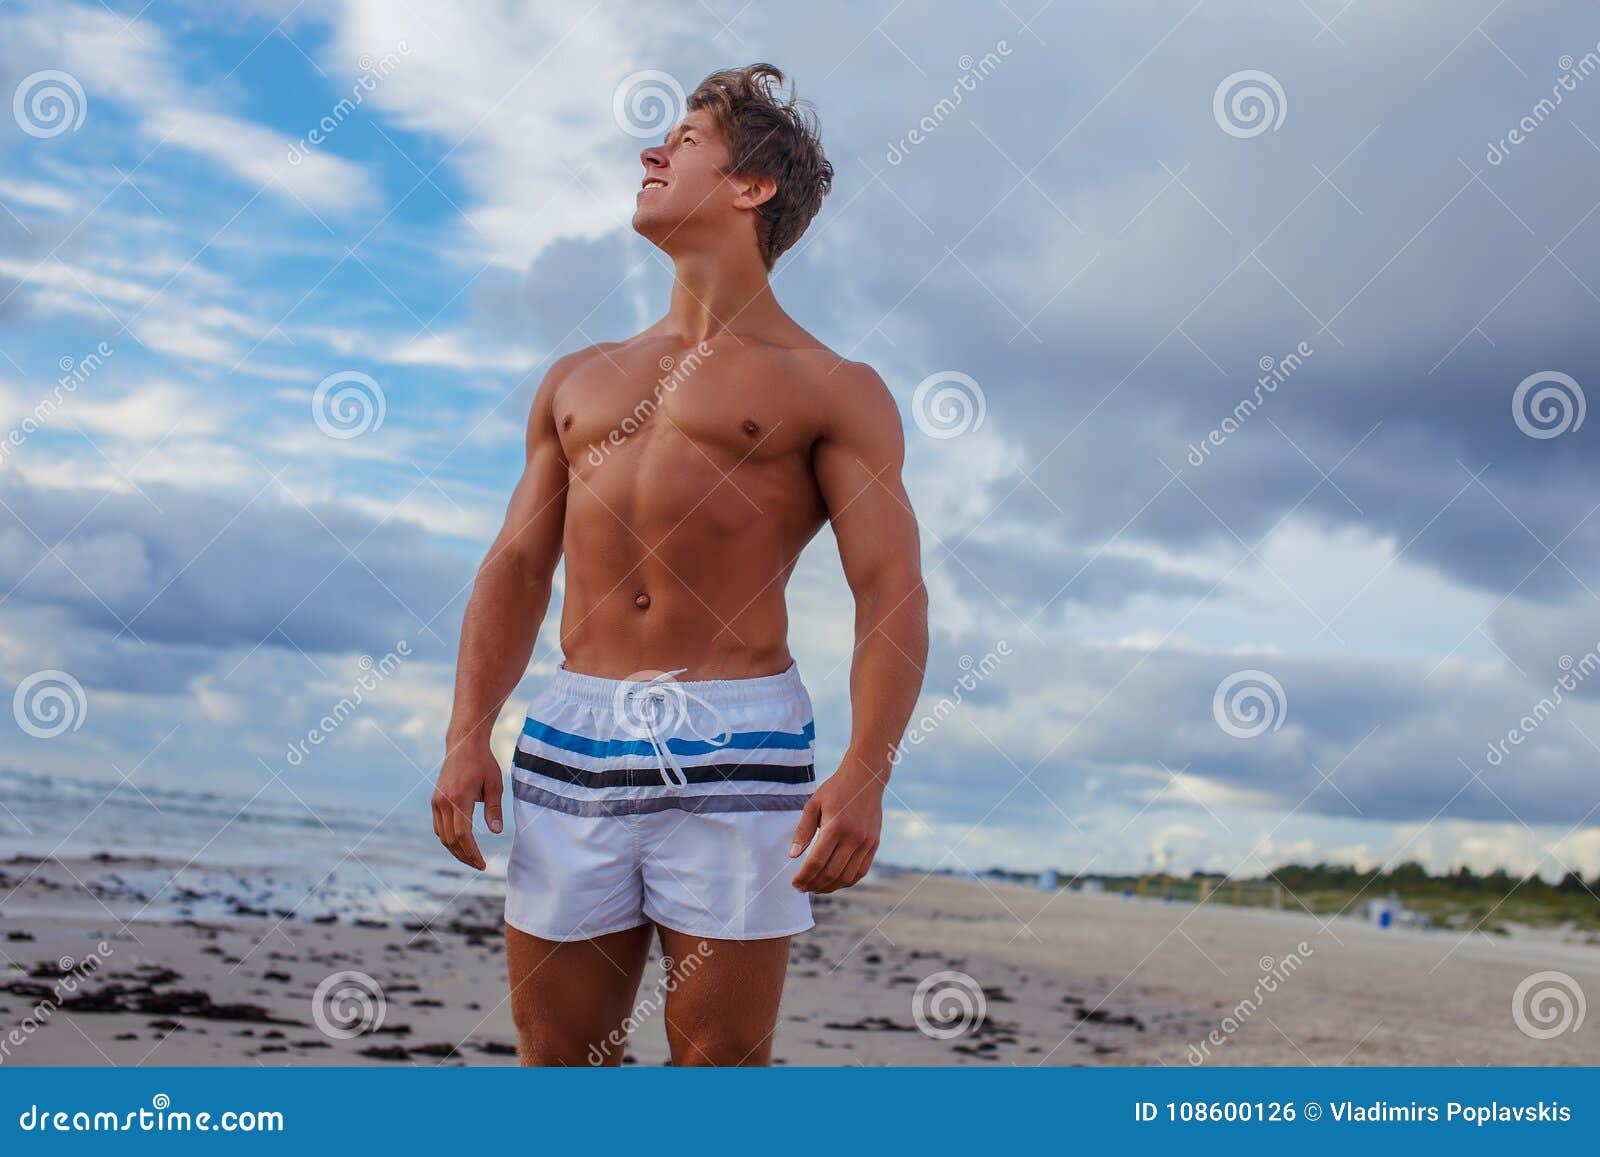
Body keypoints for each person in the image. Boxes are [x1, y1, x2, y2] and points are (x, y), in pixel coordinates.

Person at [432, 63, 927, 1066]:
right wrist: (466, 730)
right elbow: (519, 564)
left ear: (752, 187)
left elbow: (889, 589)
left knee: (717, 1061)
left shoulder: (832, 386)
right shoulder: (577, 376)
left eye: (684, 140)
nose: (651, 153)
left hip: (738, 736)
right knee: (558, 1053)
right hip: (574, 730)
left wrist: (866, 770)